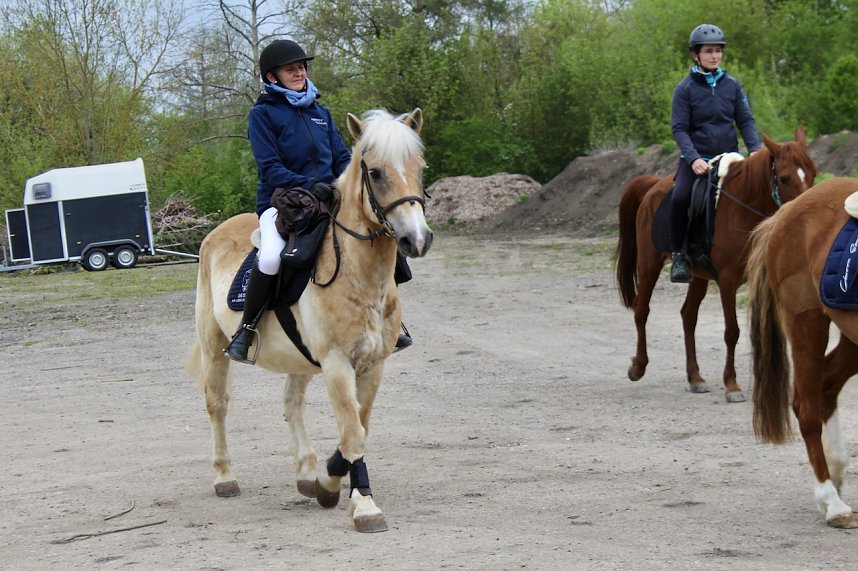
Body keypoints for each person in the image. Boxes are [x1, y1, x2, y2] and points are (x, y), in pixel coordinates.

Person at [224, 39, 412, 363]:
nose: (299, 72)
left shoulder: (319, 113)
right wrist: (310, 184)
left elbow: (342, 157)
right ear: (272, 77)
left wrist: (344, 183)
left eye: (301, 67)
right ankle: (247, 328)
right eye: (290, 69)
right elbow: (270, 169)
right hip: (283, 202)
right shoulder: (263, 115)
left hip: (329, 198)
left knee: (379, 235)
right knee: (269, 256)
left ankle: (392, 321)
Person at [668, 24, 762, 283]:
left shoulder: (732, 85)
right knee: (679, 197)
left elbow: (745, 121)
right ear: (696, 55)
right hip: (697, 159)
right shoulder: (684, 89)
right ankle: (679, 255)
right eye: (709, 51)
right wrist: (694, 158)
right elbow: (679, 128)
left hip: (729, 157)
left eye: (718, 51)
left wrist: (755, 150)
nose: (715, 56)